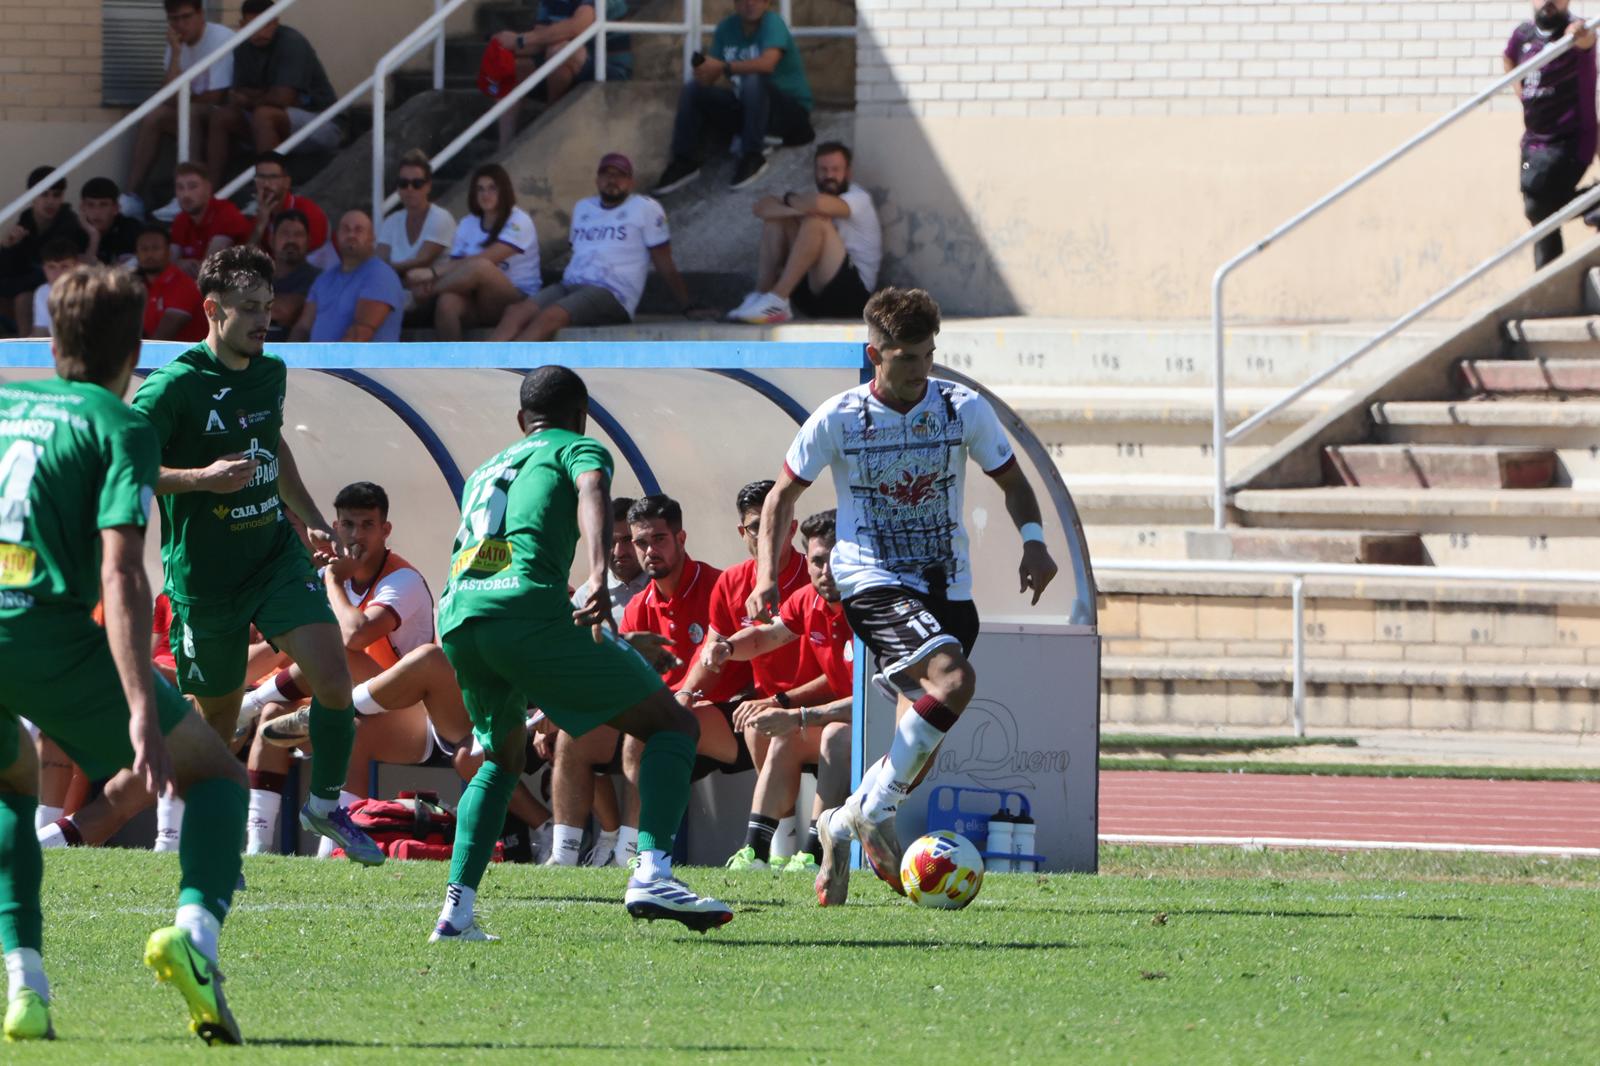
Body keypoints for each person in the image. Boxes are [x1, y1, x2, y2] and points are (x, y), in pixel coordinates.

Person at [0, 265, 249, 1045]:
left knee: (12, 790)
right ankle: (195, 939)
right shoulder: (122, 424)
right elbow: (120, 568)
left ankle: (26, 988)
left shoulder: (5, 404)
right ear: (134, 345)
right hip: (48, 633)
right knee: (213, 776)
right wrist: (143, 708)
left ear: (51, 340)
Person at [747, 287, 1059, 906]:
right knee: (955, 681)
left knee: (921, 749)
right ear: (874, 354)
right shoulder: (838, 418)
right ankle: (870, 815)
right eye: (905, 359)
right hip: (873, 580)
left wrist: (1033, 540)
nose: (920, 371)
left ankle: (841, 824)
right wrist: (765, 576)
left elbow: (1013, 480)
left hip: (948, 586)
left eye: (927, 355)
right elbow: (782, 497)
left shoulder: (961, 408)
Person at [428, 366, 731, 941]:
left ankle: (456, 912)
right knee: (672, 726)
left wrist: (605, 635)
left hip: (463, 618)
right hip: (525, 613)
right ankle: (651, 872)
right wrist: (596, 573)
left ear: (522, 421)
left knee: (499, 758)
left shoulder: (485, 470)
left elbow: (490, 556)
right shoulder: (579, 447)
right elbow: (593, 491)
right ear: (582, 415)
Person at [116, 244, 381, 865]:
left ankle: (325, 804)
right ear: (211, 309)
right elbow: (126, 465)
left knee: (335, 679)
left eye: (268, 307)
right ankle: (196, 840)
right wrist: (203, 477)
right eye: (248, 309)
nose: (264, 320)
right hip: (206, 583)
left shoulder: (271, 372)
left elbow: (273, 446)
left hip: (274, 559)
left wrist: (311, 519)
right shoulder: (174, 387)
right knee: (215, 724)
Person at [236, 482, 549, 855]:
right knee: (278, 715)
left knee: (337, 654)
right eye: (348, 525)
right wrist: (214, 692)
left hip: (421, 716)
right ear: (335, 528)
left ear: (386, 531)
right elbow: (275, 649)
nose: (356, 535)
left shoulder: (402, 579)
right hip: (368, 711)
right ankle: (260, 848)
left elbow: (354, 636)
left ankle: (257, 708)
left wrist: (332, 581)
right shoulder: (321, 580)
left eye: (367, 525)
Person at [667, 479, 825, 870]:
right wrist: (684, 695)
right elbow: (717, 650)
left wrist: (782, 702)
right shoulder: (732, 582)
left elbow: (840, 672)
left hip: (821, 707)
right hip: (765, 706)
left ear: (792, 526)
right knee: (668, 725)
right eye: (756, 526)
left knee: (766, 723)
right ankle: (634, 850)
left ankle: (803, 846)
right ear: (743, 533)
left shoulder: (818, 580)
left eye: (777, 520)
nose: (767, 533)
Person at [706, 509, 855, 876]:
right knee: (781, 735)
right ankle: (756, 851)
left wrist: (796, 712)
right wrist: (726, 647)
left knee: (833, 734)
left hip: (886, 734)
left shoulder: (870, 607)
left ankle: (816, 853)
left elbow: (872, 702)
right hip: (841, 720)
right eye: (818, 561)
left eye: (836, 560)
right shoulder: (808, 599)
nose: (826, 571)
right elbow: (765, 636)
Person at [492, 153, 701, 342]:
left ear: (631, 182)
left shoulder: (645, 208)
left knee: (550, 317)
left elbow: (663, 259)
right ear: (597, 180)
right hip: (571, 284)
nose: (612, 180)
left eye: (619, 175)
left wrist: (687, 305)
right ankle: (481, 369)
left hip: (612, 292)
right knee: (516, 312)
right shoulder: (583, 207)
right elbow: (578, 250)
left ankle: (508, 374)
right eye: (606, 175)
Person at [546, 495, 649, 867]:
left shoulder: (657, 586)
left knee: (641, 736)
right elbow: (573, 665)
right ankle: (564, 853)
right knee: (567, 737)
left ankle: (627, 853)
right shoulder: (591, 593)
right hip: (605, 707)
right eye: (611, 541)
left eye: (627, 541)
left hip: (651, 705)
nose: (619, 551)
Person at [652, 0, 815, 194]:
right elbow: (711, 77)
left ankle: (753, 154)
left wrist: (723, 66)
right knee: (693, 89)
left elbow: (767, 64)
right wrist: (704, 70)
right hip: (750, 109)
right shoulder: (726, 28)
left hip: (789, 112)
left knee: (753, 79)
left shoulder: (773, 23)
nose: (750, 3)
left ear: (766, 2)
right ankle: (684, 161)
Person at [729, 143, 881, 325]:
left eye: (835, 169)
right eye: (823, 170)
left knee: (816, 222)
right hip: (811, 297)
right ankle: (761, 297)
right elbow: (761, 208)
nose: (829, 175)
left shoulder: (858, 198)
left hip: (851, 296)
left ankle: (777, 299)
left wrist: (791, 202)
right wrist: (795, 212)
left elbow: (819, 205)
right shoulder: (807, 199)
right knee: (776, 220)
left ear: (848, 172)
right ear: (815, 172)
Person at [205, 0, 340, 188]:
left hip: (321, 122)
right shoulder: (243, 46)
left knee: (264, 114)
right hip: (280, 120)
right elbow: (237, 94)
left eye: (265, 24)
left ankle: (268, 191)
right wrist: (267, 95)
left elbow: (283, 98)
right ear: (242, 25)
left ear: (275, 22)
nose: (260, 32)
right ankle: (209, 191)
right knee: (221, 116)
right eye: (253, 25)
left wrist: (253, 98)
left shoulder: (291, 42)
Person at [1506, 0, 1599, 268]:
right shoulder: (1523, 35)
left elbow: (1586, 39)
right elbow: (1508, 58)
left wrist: (1580, 34)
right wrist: (1521, 93)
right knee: (1541, 220)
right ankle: (1547, 279)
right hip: (1533, 143)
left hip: (1570, 142)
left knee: (1537, 206)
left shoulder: (1573, 33)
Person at [123, 0, 235, 220]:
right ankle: (131, 196)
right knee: (154, 116)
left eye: (186, 17)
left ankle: (189, 190)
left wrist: (181, 99)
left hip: (221, 116)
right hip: (191, 109)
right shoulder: (175, 42)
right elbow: (167, 94)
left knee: (189, 111)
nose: (181, 24)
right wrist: (175, 54)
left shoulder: (221, 38)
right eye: (174, 19)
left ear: (201, 14)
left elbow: (217, 95)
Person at [404, 164, 540, 341]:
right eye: (480, 189)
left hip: (517, 300)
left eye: (492, 188)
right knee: (447, 302)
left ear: (504, 190)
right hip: (477, 298)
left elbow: (486, 259)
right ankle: (454, 364)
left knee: (481, 266)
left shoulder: (519, 220)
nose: (486, 194)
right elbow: (457, 270)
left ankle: (424, 295)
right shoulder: (468, 223)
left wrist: (431, 274)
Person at [488, 0, 632, 149]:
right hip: (563, 66)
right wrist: (505, 45)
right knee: (508, 65)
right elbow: (540, 39)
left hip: (609, 73)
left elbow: (577, 27)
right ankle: (505, 149)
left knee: (560, 50)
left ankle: (547, 122)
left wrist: (520, 40)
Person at [289, 211, 405, 343]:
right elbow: (303, 327)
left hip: (360, 363)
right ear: (337, 236)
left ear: (372, 238)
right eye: (345, 229)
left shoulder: (381, 275)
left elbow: (360, 334)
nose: (351, 234)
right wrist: (287, 362)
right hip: (318, 362)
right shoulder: (323, 279)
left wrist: (325, 363)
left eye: (358, 230)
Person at [0, 167, 87, 336]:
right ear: (32, 197)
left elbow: (52, 271)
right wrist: (8, 247)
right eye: (44, 194)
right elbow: (9, 270)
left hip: (60, 289)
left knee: (23, 298)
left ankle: (27, 356)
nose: (50, 201)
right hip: (31, 284)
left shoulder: (68, 224)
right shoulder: (25, 222)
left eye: (56, 195)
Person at [245, 151, 333, 270]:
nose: (266, 184)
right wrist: (260, 226)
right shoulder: (258, 216)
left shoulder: (309, 212)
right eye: (260, 177)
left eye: (272, 177)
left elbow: (302, 267)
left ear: (287, 182)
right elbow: (245, 261)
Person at [377, 149, 456, 280]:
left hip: (431, 292)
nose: (409, 189)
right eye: (403, 183)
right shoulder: (391, 221)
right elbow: (379, 260)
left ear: (428, 186)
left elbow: (422, 261)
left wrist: (385, 270)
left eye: (417, 184)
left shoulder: (441, 218)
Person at [168, 163, 253, 277]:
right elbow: (166, 265)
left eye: (193, 186)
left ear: (208, 188)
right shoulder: (181, 220)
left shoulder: (225, 213)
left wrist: (176, 265)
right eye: (180, 188)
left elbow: (211, 266)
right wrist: (178, 264)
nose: (186, 194)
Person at [134, 225, 207, 343]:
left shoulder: (183, 285)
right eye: (144, 249)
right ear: (136, 254)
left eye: (156, 248)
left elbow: (160, 340)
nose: (149, 254)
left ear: (169, 252)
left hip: (189, 358)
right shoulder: (138, 285)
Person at [266, 209, 320, 341]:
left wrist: (245, 303)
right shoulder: (260, 275)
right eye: (285, 233)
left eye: (298, 235)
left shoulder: (317, 278)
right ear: (272, 240)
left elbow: (285, 311)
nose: (291, 240)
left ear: (308, 241)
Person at [79, 178, 143, 268]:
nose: (97, 212)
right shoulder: (74, 232)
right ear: (82, 208)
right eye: (90, 205)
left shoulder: (130, 229)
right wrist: (94, 237)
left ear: (116, 208)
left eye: (103, 205)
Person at [27, 239, 82, 338]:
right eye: (51, 267)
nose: (58, 273)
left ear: (77, 267)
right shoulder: (42, 293)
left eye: (64, 266)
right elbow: (41, 332)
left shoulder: (89, 291)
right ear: (44, 268)